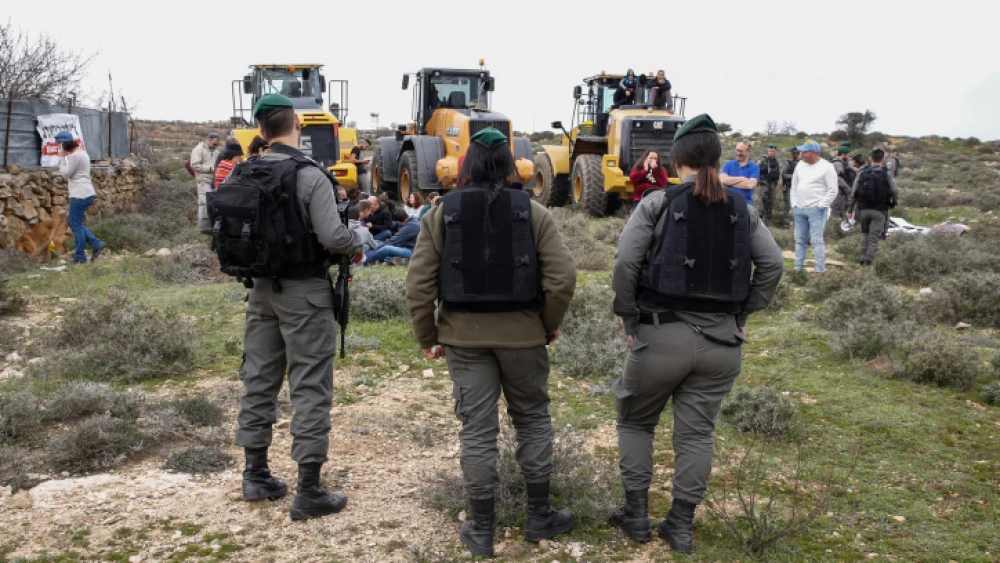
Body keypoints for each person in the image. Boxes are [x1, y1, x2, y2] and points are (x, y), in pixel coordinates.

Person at [609, 114, 783, 554]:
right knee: (697, 434)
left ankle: (635, 515)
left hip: (660, 335)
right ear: (717, 156)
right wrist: (743, 312)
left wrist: (630, 318)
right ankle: (680, 525)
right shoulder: (742, 210)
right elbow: (774, 264)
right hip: (722, 344)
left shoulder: (658, 203)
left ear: (677, 157)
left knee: (636, 421)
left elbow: (626, 265)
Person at [405, 127, 577, 557]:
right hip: (524, 338)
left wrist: (429, 336)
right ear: (509, 165)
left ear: (467, 164)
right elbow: (563, 278)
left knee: (477, 431)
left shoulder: (441, 213)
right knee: (533, 420)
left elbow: (419, 284)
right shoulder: (534, 212)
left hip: (464, 340)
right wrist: (547, 325)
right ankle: (539, 517)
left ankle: (481, 530)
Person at [232, 93, 363, 522]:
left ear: (260, 131)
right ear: (297, 127)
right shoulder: (309, 176)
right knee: (309, 385)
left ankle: (256, 475)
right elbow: (333, 236)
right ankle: (308, 490)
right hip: (305, 292)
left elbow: (209, 223)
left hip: (260, 291)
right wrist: (356, 242)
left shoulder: (241, 170)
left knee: (259, 378)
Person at [56, 131, 105, 264]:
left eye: (60, 145)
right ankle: (96, 244)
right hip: (85, 192)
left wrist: (61, 158)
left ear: (65, 144)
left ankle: (79, 257)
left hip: (80, 194)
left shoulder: (75, 156)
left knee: (75, 225)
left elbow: (66, 174)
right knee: (74, 223)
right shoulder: (82, 153)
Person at [790, 140, 838, 273]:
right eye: (801, 152)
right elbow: (794, 186)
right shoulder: (800, 165)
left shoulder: (827, 167)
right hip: (799, 208)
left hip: (816, 210)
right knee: (799, 240)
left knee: (816, 241)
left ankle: (819, 270)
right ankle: (798, 269)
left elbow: (833, 190)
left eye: (805, 152)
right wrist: (794, 204)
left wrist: (821, 205)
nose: (802, 154)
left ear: (814, 153)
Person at [847, 148, 898, 266]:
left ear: (870, 158)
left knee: (865, 234)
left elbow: (854, 192)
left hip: (862, 209)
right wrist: (893, 203)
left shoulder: (862, 172)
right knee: (874, 237)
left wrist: (850, 210)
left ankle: (863, 257)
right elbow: (895, 190)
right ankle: (868, 261)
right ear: (883, 158)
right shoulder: (887, 173)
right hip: (879, 210)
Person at [191, 132, 221, 233]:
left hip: (214, 181)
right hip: (203, 180)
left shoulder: (216, 152)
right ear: (208, 139)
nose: (216, 146)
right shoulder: (198, 150)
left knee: (213, 203)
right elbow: (194, 165)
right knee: (204, 203)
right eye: (214, 143)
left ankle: (212, 225)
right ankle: (204, 227)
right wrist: (209, 169)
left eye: (217, 144)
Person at [719, 140, 759, 205]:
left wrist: (729, 182)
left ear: (748, 151)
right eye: (737, 150)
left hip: (746, 203)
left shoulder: (754, 168)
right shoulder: (728, 164)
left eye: (741, 151)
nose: (738, 153)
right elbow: (722, 180)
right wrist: (742, 178)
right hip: (727, 203)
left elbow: (751, 184)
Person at [756, 144, 781, 223]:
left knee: (771, 201)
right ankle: (759, 219)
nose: (771, 152)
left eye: (773, 151)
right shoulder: (763, 160)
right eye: (770, 151)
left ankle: (768, 219)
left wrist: (775, 183)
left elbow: (777, 173)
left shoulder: (776, 162)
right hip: (764, 183)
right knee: (762, 200)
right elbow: (756, 170)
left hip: (772, 184)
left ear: (775, 152)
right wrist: (758, 181)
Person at [829, 146, 856, 219]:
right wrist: (847, 189)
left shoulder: (838, 162)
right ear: (843, 154)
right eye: (847, 154)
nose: (848, 156)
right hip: (837, 193)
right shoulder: (838, 164)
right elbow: (838, 178)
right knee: (837, 214)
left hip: (838, 192)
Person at [779, 147, 800, 228]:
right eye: (794, 153)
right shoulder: (788, 163)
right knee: (787, 205)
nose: (795, 155)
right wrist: (794, 177)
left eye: (797, 153)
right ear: (791, 153)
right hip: (789, 186)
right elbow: (784, 174)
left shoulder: (801, 163)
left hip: (798, 188)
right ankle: (786, 223)